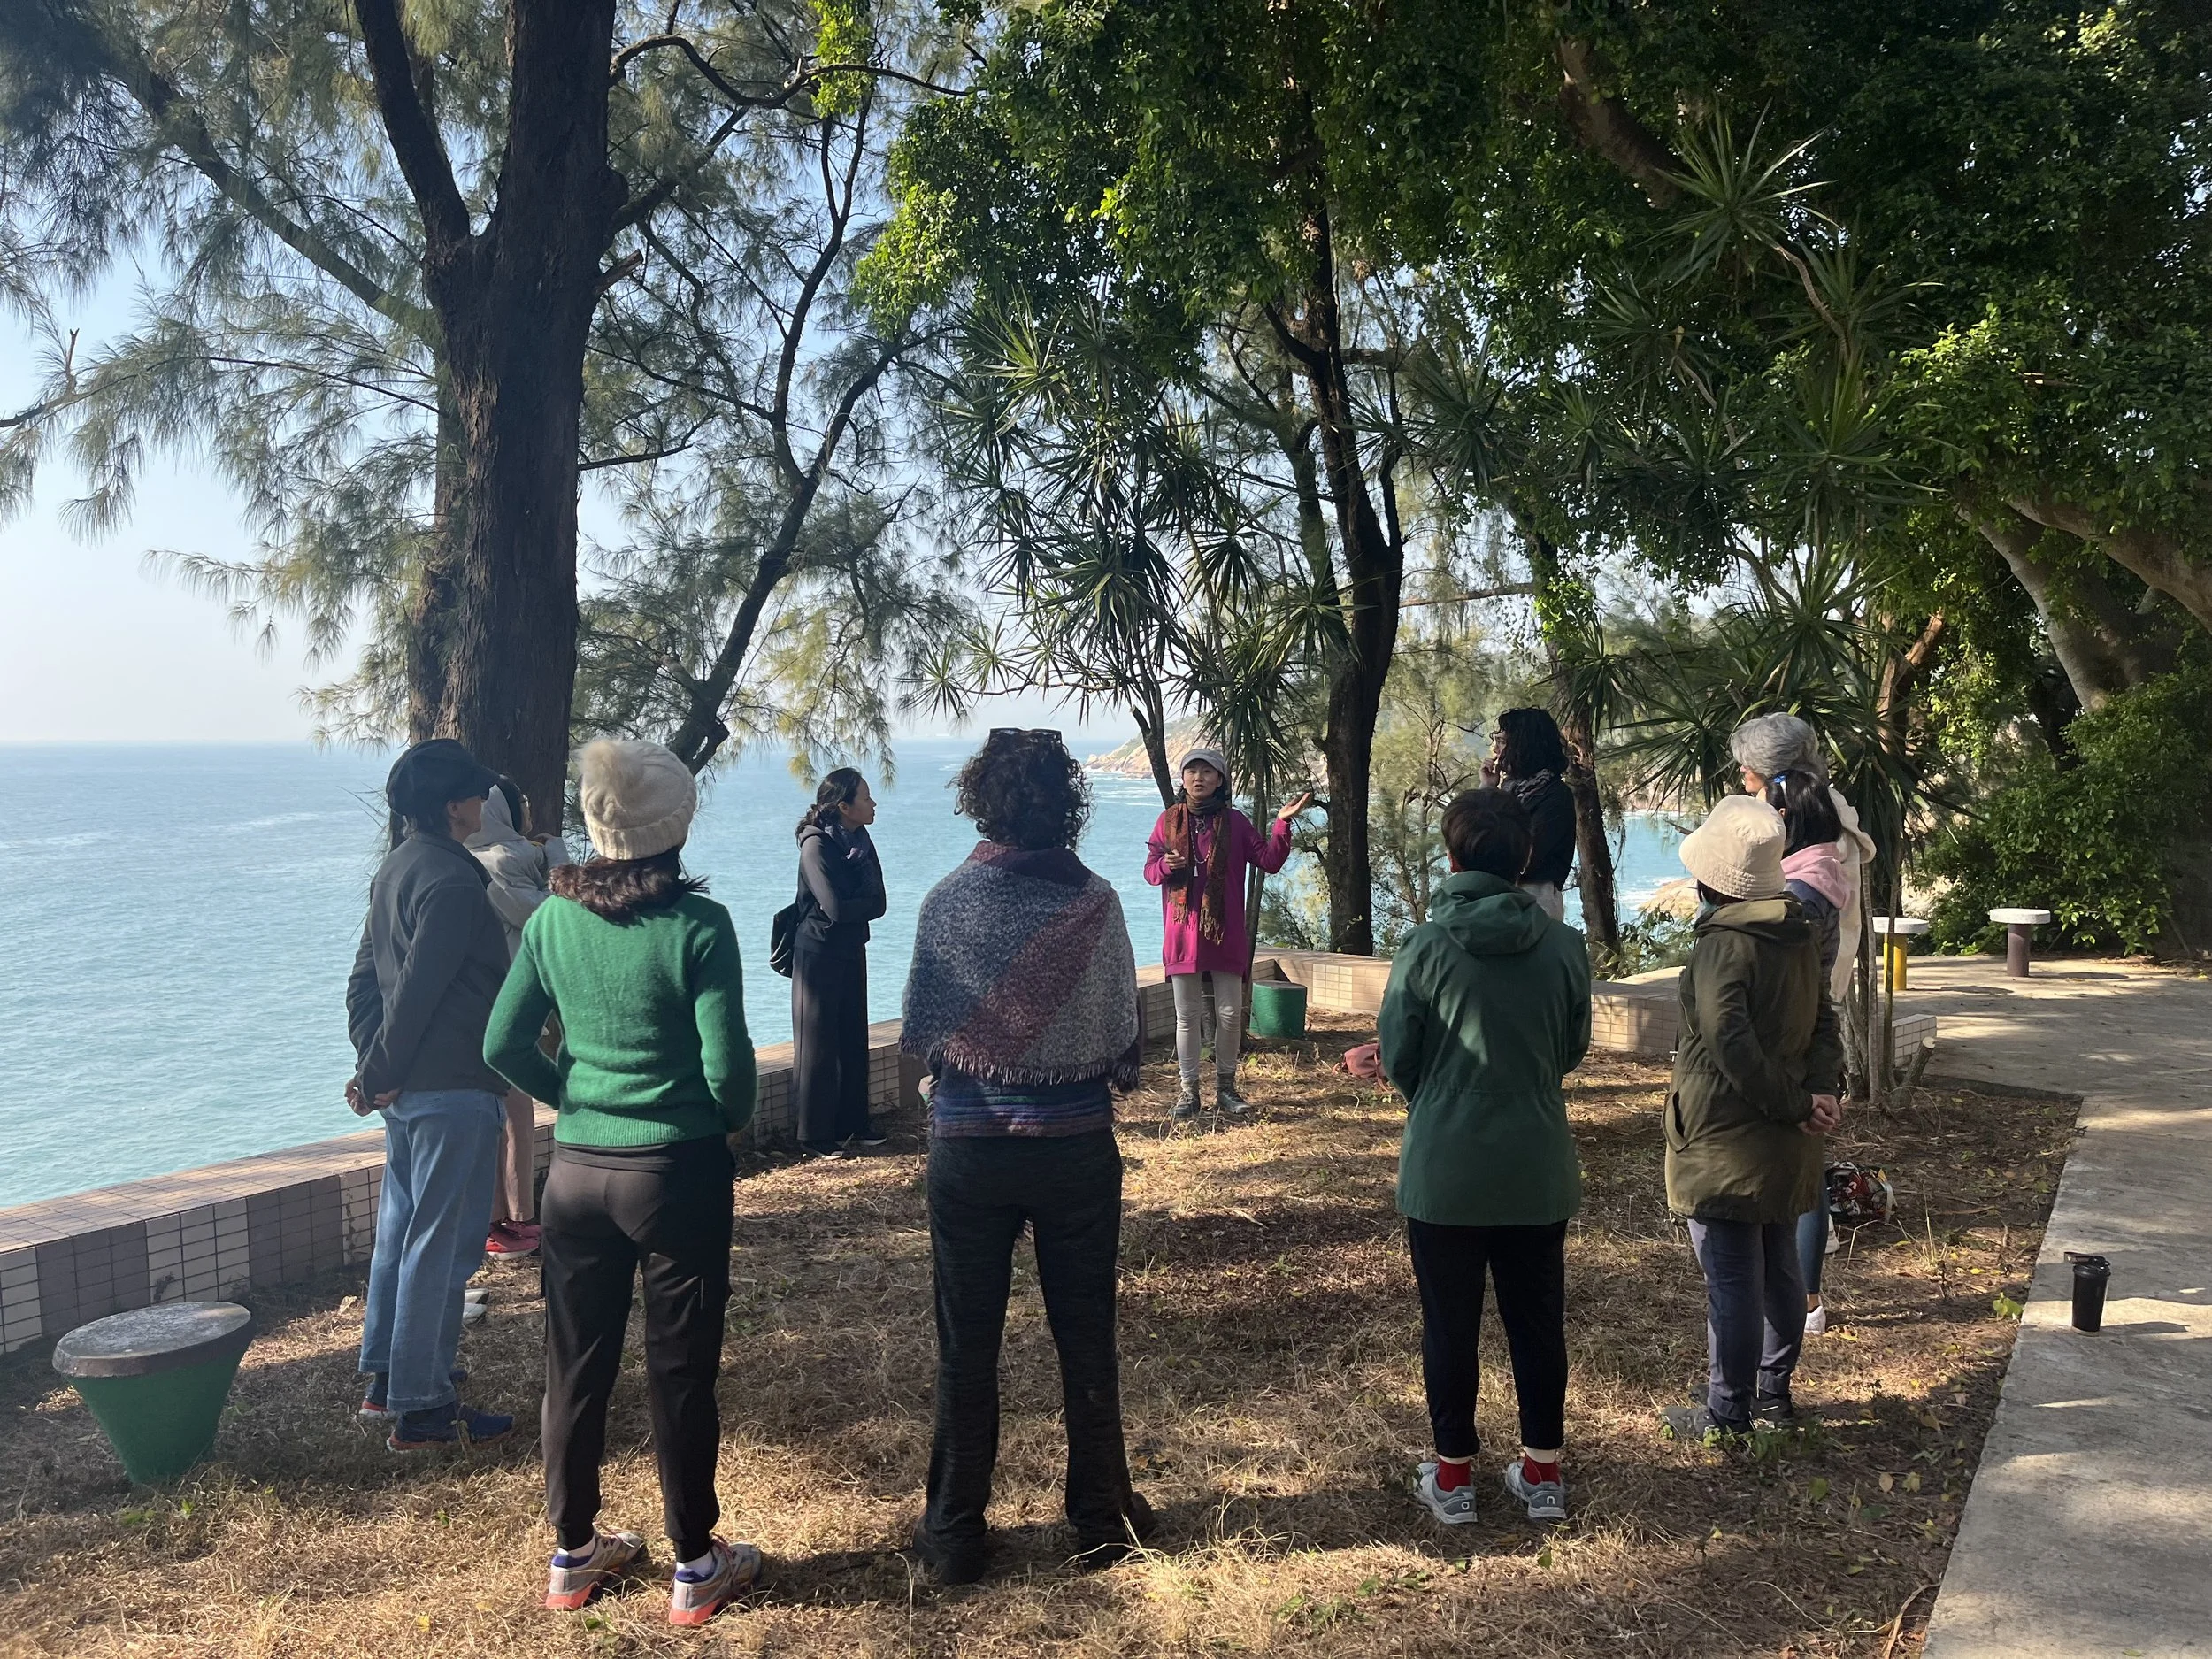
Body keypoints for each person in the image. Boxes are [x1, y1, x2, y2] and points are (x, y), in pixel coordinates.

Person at [485, 738, 761, 1627]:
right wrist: (714, 1117)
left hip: (576, 1173)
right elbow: (730, 1073)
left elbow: (500, 1044)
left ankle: (573, 1552)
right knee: (680, 1370)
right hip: (676, 1172)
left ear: (595, 821)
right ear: (676, 824)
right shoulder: (700, 926)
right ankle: (695, 1562)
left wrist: (577, 1098)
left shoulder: (551, 922)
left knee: (574, 1364)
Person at [901, 728, 1151, 1585]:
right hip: (1075, 1149)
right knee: (1086, 1338)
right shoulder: (1099, 903)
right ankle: (1103, 1519)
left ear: (981, 801)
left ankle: (952, 1534)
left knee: (965, 1346)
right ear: (1068, 803)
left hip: (969, 1153)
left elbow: (926, 1032)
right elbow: (1121, 1036)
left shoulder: (947, 902)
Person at [1377, 788, 1593, 1526]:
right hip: (1537, 1162)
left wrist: (1439, 1094)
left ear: (1451, 855)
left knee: (1449, 1323)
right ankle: (1542, 1473)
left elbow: (1400, 1055)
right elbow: (1571, 1047)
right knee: (1538, 1321)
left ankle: (1453, 1477)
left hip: (1446, 1167)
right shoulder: (1564, 946)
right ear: (1525, 857)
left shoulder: (1424, 945)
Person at [345, 737, 517, 1451]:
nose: (484, 800)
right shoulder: (451, 879)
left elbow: (365, 982)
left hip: (411, 1090)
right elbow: (418, 989)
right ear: (453, 806)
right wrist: (381, 1068)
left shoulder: (396, 869)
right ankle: (422, 1408)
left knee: (402, 1234)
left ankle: (389, 1379)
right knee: (441, 1247)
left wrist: (376, 1067)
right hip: (452, 1084)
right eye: (476, 791)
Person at [1662, 795, 1845, 1440]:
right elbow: (1824, 1020)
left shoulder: (1725, 945)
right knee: (1778, 1262)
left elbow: (1728, 1040)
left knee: (1733, 1276)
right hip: (1786, 1134)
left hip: (1724, 1135)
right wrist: (1817, 1092)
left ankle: (1727, 1410)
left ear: (1710, 880)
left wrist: (1797, 1102)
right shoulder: (1797, 933)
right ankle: (1772, 1391)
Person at [1730, 712, 1877, 1336]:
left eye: (1746, 772)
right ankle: (1801, 1295)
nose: (1742, 780)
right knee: (1803, 1147)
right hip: (1820, 992)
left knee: (1802, 1151)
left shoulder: (1795, 828)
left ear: (1772, 780)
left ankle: (1803, 1300)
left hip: (1798, 1000)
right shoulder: (1831, 809)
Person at [1142, 746, 1310, 1118]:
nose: (1198, 778)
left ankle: (1226, 1088)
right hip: (1183, 932)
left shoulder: (1236, 822)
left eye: (1207, 772)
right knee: (1186, 1015)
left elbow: (1269, 860)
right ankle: (1188, 1092)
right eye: (1192, 771)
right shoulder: (1167, 821)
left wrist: (1281, 824)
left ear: (1220, 780)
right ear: (1183, 778)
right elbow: (1150, 872)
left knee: (1231, 1014)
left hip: (1225, 932)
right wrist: (1166, 866)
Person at [465, 774, 575, 1256]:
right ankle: (514, 1220)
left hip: (478, 998)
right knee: (514, 1114)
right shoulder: (502, 862)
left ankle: (499, 1220)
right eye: (521, 804)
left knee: (497, 1111)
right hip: (507, 1000)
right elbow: (553, 915)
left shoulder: (467, 856)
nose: (528, 813)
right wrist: (559, 858)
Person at [789, 767, 887, 1158]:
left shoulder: (861, 842)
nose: (873, 803)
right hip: (817, 953)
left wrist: (856, 907)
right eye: (865, 797)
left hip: (850, 947)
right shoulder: (816, 846)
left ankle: (853, 1122)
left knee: (852, 1037)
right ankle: (813, 1134)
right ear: (844, 806)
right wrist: (858, 907)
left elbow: (879, 903)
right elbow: (834, 907)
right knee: (817, 1044)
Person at [1481, 708, 1577, 921]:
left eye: (1502, 741)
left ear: (1523, 746)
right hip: (1501, 897)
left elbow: (1525, 857)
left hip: (1533, 906)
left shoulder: (1555, 796)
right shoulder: (1509, 790)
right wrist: (1487, 789)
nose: (1495, 749)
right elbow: (1474, 835)